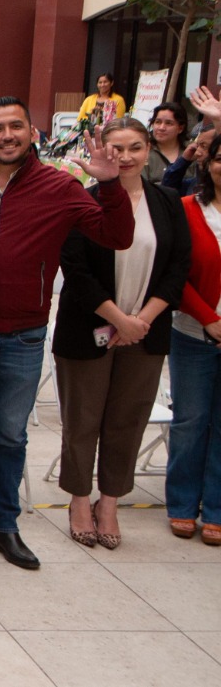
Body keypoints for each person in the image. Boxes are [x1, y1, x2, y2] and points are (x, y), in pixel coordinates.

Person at [0, 98, 133, 569]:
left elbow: (114, 236)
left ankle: (4, 525)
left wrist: (110, 185)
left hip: (24, 336)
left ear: (33, 132)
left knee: (12, 436)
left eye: (17, 125)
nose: (7, 135)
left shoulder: (59, 186)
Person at [51, 118, 188, 549]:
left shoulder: (168, 203)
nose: (124, 157)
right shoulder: (83, 202)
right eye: (115, 148)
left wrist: (139, 321)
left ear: (148, 151)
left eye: (134, 148)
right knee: (82, 420)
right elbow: (76, 271)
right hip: (88, 328)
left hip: (145, 332)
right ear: (100, 151)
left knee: (127, 421)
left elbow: (177, 269)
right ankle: (78, 498)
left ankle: (109, 501)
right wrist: (117, 318)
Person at [168, 134, 221, 544]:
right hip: (192, 334)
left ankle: (216, 508)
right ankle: (184, 504)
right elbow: (175, 275)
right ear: (207, 163)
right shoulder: (188, 209)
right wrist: (208, 319)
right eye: (220, 158)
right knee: (190, 422)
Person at [146, 102, 189, 183]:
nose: (161, 128)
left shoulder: (191, 151)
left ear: (180, 128)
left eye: (169, 123)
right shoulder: (144, 151)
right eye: (158, 122)